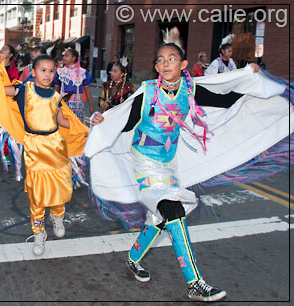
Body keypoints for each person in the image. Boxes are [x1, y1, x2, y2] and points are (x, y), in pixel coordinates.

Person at [85, 27, 288, 302]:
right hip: (143, 165)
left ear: (182, 65)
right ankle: (195, 283)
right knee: (174, 211)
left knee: (159, 218)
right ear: (155, 66)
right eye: (160, 59)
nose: (165, 63)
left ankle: (133, 259)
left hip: (169, 165)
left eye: (171, 59)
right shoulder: (148, 93)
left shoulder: (191, 89)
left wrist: (250, 79)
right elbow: (124, 120)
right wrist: (101, 120)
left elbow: (226, 98)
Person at [0, 53, 88, 255]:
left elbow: (62, 122)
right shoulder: (24, 91)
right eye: (43, 70)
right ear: (33, 72)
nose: (47, 74)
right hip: (35, 148)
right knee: (37, 193)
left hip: (56, 146)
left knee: (61, 186)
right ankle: (38, 232)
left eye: (51, 71)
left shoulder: (55, 97)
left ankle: (58, 217)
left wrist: (86, 128)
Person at [53, 48, 94, 122]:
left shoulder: (83, 72)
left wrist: (91, 106)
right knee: (63, 124)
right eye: (64, 56)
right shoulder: (60, 72)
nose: (64, 58)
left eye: (67, 56)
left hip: (77, 105)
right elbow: (56, 88)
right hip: (63, 102)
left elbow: (87, 89)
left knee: (76, 125)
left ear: (73, 58)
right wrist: (53, 102)